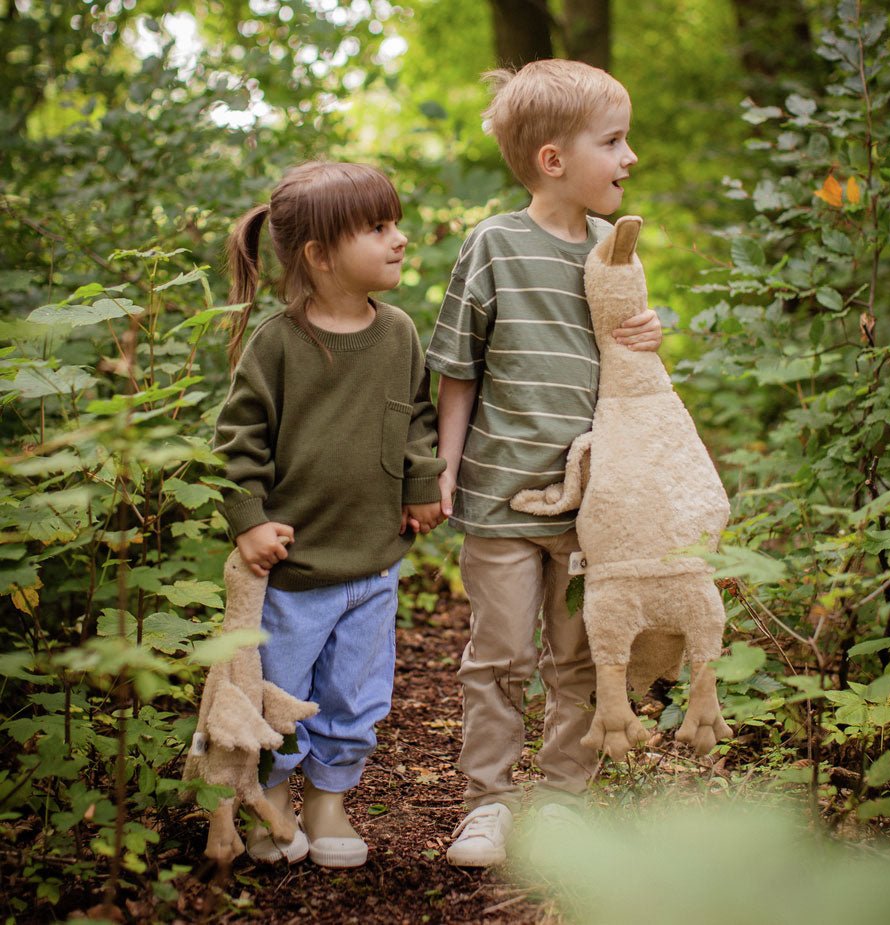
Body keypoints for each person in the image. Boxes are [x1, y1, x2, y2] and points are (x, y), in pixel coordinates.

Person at [425, 59, 663, 866]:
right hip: (497, 495)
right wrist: (445, 469)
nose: (629, 158)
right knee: (497, 656)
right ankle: (486, 803)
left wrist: (644, 340)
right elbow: (457, 368)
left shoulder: (614, 248)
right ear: (553, 159)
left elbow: (630, 371)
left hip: (591, 505)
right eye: (614, 141)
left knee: (579, 655)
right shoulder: (493, 244)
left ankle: (563, 798)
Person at [214, 161, 445, 868]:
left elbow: (416, 420)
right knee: (282, 693)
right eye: (377, 228)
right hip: (293, 571)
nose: (399, 239)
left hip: (372, 561)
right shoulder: (279, 343)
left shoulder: (400, 332)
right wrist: (249, 518)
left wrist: (420, 483)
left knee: (355, 692)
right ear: (318, 255)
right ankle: (273, 798)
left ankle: (330, 800)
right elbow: (238, 438)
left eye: (394, 222)